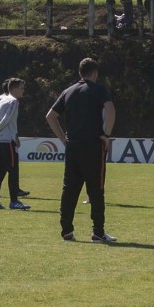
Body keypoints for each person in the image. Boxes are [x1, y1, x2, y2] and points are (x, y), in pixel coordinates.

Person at [46, 57, 117, 243]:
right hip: (93, 145)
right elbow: (110, 110)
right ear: (94, 73)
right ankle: (98, 232)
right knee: (96, 189)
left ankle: (67, 231)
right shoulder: (98, 90)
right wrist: (106, 135)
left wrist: (64, 139)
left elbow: (50, 116)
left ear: (79, 73)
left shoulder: (68, 91)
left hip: (73, 146)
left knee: (69, 189)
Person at [0, 78, 30, 210]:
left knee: (0, 171)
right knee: (13, 171)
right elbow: (6, 120)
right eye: (21, 88)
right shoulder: (13, 101)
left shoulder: (1, 101)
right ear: (14, 89)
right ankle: (14, 201)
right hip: (6, 141)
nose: (23, 90)